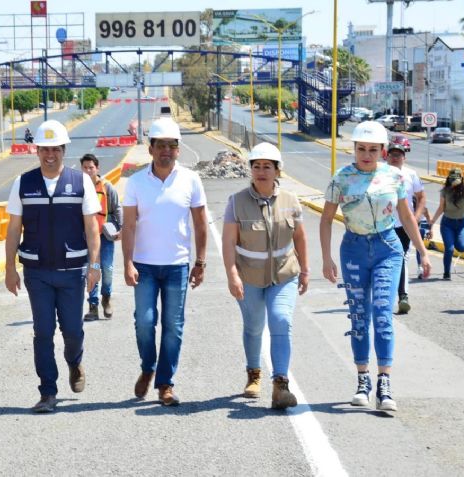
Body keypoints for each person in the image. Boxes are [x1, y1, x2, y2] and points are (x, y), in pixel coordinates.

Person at [319, 121, 431, 413]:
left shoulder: (394, 177)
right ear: (354, 149)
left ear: (383, 151)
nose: (366, 154)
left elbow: (406, 217)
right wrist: (326, 258)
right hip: (354, 249)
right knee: (359, 316)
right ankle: (362, 380)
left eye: (372, 149)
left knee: (383, 312)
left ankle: (384, 382)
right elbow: (326, 219)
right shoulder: (341, 178)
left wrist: (422, 252)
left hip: (387, 248)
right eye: (361, 149)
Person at [4, 119, 102, 413]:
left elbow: (92, 227)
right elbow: (13, 229)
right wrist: (9, 268)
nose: (50, 155)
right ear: (37, 151)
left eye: (55, 150)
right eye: (44, 150)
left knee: (72, 331)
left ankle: (74, 362)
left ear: (63, 150)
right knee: (43, 332)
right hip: (37, 273)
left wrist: (94, 265)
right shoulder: (23, 183)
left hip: (72, 272)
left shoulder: (80, 181)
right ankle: (47, 391)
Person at [122, 117, 208, 406]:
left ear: (179, 150)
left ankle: (165, 383)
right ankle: (148, 366)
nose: (166, 151)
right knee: (144, 323)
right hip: (144, 266)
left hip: (177, 266)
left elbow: (200, 223)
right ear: (151, 149)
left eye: (172, 146)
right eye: (161, 146)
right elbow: (130, 226)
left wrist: (201, 262)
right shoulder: (135, 182)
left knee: (174, 326)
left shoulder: (191, 180)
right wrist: (127, 263)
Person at [221, 143, 308, 409]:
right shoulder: (236, 202)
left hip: (284, 273)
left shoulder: (291, 201)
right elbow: (228, 242)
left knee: (281, 320)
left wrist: (305, 270)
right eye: (256, 166)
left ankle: (280, 383)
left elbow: (300, 237)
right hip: (248, 275)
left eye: (266, 166)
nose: (261, 171)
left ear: (277, 170)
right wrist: (232, 275)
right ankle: (253, 373)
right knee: (254, 326)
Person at [383, 143, 425, 314]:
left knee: (399, 259)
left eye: (398, 155)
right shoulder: (379, 173)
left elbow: (421, 197)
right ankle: (383, 295)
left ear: (404, 158)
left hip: (403, 226)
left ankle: (403, 297)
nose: (395, 157)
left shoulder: (410, 175)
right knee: (384, 260)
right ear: (386, 156)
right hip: (382, 226)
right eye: (392, 154)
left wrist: (415, 219)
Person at [80, 153, 122, 321]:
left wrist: (122, 228)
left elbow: (117, 208)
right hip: (86, 237)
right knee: (91, 269)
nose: (88, 170)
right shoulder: (78, 188)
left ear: (97, 168)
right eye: (85, 168)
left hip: (104, 236)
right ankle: (93, 306)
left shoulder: (107, 187)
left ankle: (106, 298)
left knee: (107, 269)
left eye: (91, 167)